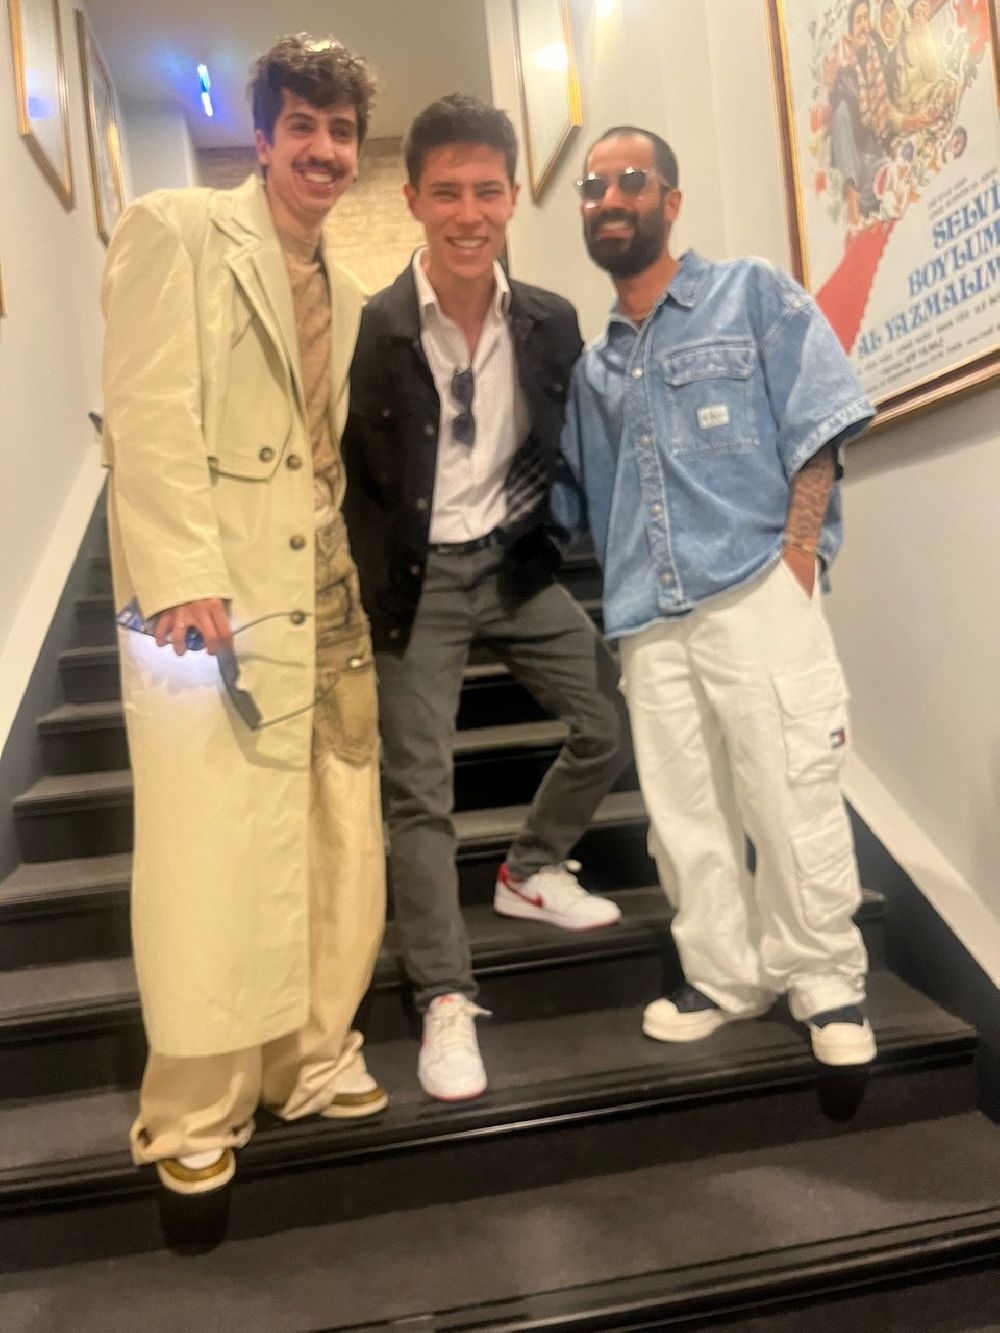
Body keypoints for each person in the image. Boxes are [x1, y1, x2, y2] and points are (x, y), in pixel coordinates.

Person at [102, 35, 388, 1196]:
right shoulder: (174, 229)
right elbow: (146, 408)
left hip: (324, 589)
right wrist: (178, 570)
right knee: (210, 856)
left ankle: (308, 1056)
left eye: (341, 132)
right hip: (210, 602)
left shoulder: (349, 293)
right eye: (302, 127)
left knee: (335, 829)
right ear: (262, 138)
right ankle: (194, 1107)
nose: (324, 150)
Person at [556, 125, 878, 1068]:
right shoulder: (593, 368)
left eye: (631, 180)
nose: (610, 199)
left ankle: (826, 980)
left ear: (670, 199)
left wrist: (799, 551)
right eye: (592, 187)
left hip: (754, 588)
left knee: (789, 792)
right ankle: (724, 975)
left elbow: (819, 418)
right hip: (647, 618)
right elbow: (580, 498)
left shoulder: (751, 293)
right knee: (685, 815)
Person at [342, 95, 627, 1103]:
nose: (469, 213)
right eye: (448, 192)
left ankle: (529, 866)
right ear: (413, 200)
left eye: (488, 191)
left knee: (608, 718)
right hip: (415, 586)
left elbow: (569, 441)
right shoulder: (372, 328)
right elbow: (351, 475)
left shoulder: (550, 319)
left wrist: (560, 534)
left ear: (512, 198)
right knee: (419, 794)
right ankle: (444, 997)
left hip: (514, 566)